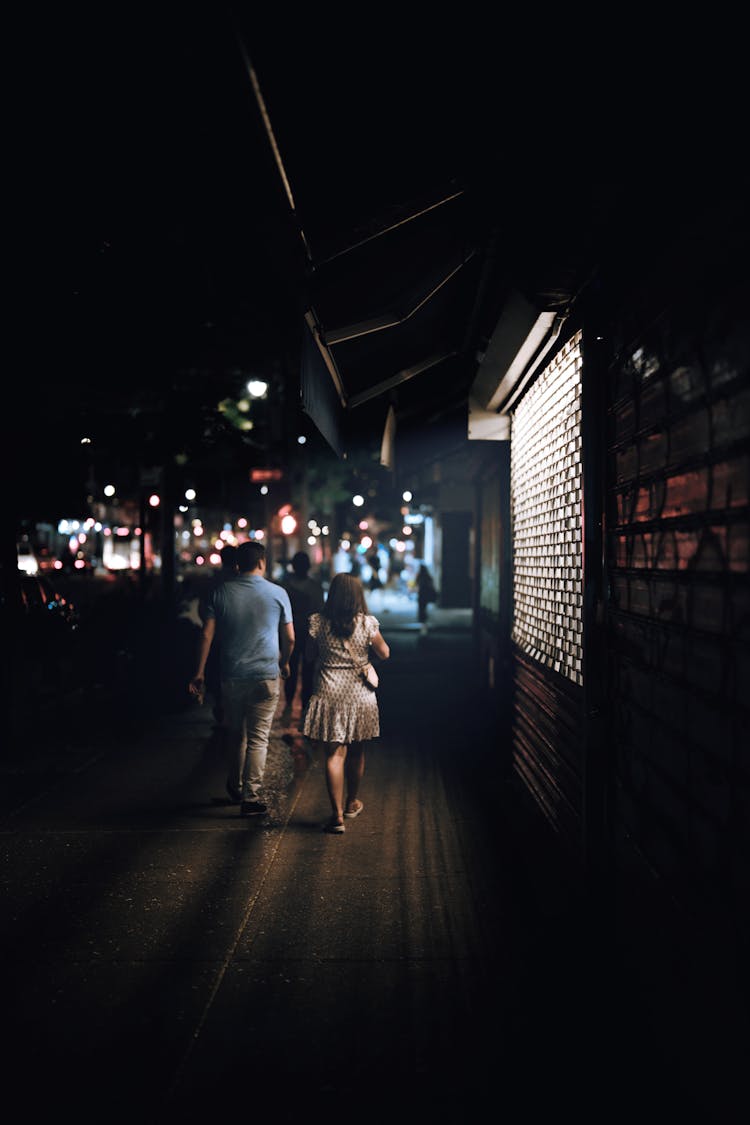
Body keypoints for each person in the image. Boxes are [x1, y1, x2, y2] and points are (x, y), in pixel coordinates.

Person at [189, 541, 294, 817]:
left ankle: (234, 786)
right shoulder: (278, 593)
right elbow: (291, 638)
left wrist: (199, 672)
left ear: (237, 564)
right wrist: (284, 663)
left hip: (232, 674)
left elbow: (206, 634)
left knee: (235, 734)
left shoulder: (220, 592)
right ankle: (251, 795)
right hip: (265, 675)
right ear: (262, 562)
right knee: (259, 738)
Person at [302, 573, 390, 833]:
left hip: (329, 693)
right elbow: (384, 653)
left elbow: (308, 656)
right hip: (359, 695)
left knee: (333, 755)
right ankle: (352, 802)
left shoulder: (317, 622)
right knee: (356, 751)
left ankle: (337, 815)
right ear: (357, 595)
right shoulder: (367, 624)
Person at [281, 551, 324, 715]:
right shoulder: (315, 587)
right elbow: (320, 612)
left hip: (290, 633)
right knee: (308, 671)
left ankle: (289, 702)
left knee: (289, 669)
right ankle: (305, 706)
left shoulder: (285, 587)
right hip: (310, 636)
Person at [202, 544, 238, 726]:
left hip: (217, 638)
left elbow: (204, 613)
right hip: (236, 638)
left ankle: (220, 708)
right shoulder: (239, 582)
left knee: (217, 676)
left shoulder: (213, 582)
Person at [416, 563, 437, 635]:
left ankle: (422, 622)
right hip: (425, 595)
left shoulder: (419, 576)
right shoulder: (428, 576)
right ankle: (424, 622)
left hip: (421, 595)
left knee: (421, 609)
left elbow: (416, 583)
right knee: (424, 608)